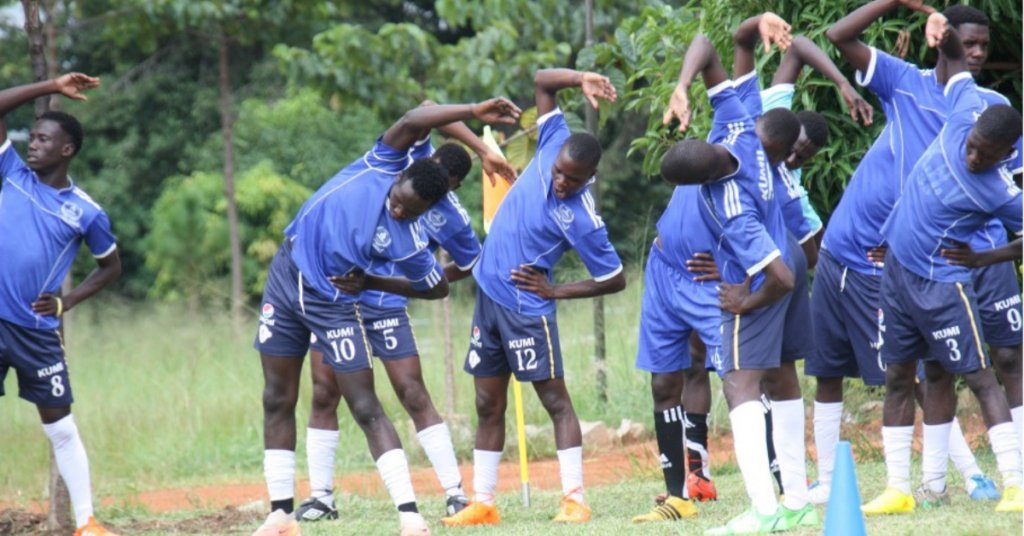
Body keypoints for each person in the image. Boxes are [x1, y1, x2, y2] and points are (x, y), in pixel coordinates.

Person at [251, 97, 520, 536]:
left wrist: (374, 282)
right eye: (398, 201)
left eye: (409, 211)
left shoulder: (411, 238)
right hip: (286, 273)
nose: (398, 210)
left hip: (335, 301)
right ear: (399, 178)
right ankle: (282, 514)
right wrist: (475, 115)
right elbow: (419, 114)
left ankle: (412, 515)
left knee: (368, 404)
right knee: (278, 397)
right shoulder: (383, 162)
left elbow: (437, 285)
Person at [824, 0, 1020, 511]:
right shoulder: (950, 108)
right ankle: (906, 488)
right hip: (897, 269)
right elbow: (840, 35)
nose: (972, 155)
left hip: (950, 269)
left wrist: (990, 258)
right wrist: (929, 21)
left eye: (985, 155)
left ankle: (1015, 481)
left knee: (986, 369)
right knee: (904, 375)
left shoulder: (994, 156)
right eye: (967, 43)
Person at [439, 67, 623, 527]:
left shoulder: (582, 217)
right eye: (560, 172)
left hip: (527, 309)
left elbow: (615, 278)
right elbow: (543, 81)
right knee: (487, 404)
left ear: (590, 178)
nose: (561, 182)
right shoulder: (552, 138)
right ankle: (483, 502)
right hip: (488, 297)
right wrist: (580, 76)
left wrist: (555, 289)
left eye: (574, 179)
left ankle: (575, 499)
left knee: (554, 401)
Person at [660, 18, 817, 533]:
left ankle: (764, 512)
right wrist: (682, 88)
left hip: (765, 272)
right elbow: (708, 43)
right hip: (791, 249)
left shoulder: (729, 205)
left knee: (739, 382)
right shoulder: (737, 127)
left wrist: (744, 302)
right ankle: (796, 499)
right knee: (783, 374)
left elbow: (780, 279)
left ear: (701, 180)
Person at [0, 74, 122, 536]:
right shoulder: (13, 173)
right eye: (31, 137)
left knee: (61, 427)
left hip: (34, 332)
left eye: (43, 139)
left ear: (66, 150)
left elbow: (110, 267)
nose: (32, 145)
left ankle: (87, 523)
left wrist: (66, 302)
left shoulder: (86, 210)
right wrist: (50, 84)